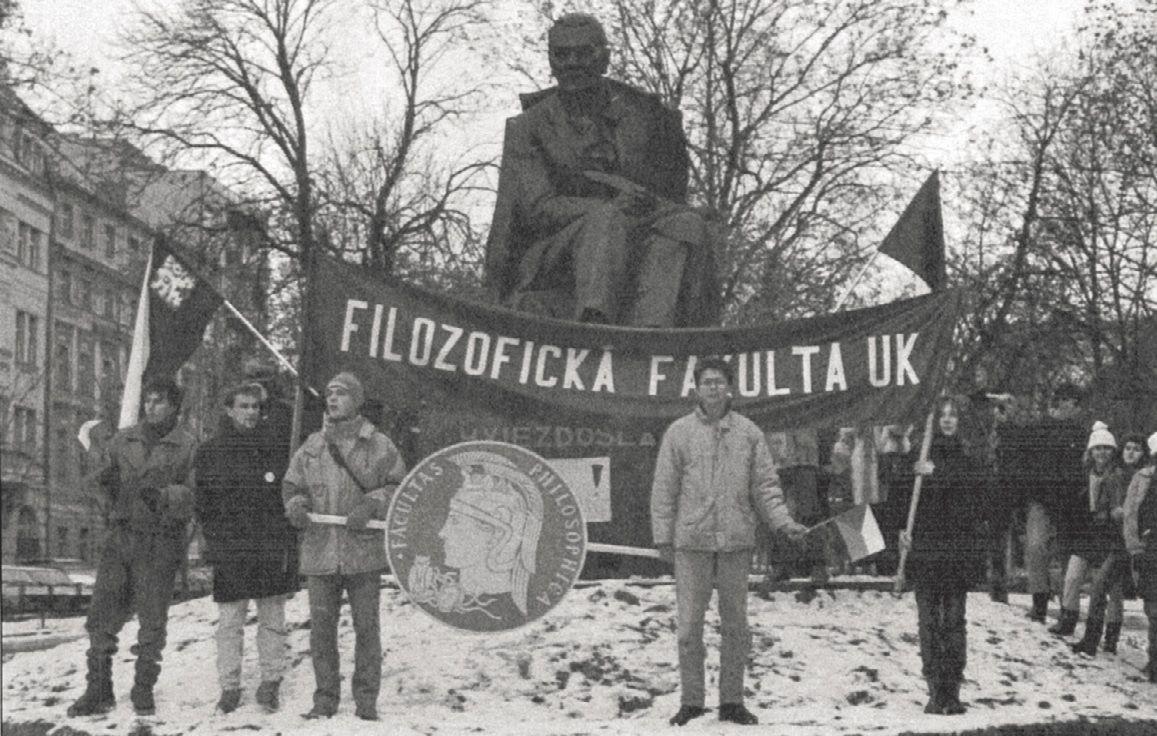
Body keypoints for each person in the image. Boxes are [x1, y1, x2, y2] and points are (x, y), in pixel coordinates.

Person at [484, 13, 718, 327]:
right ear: (551, 61)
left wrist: (653, 204)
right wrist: (608, 207)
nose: (573, 63)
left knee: (685, 225)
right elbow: (539, 209)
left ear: (605, 58)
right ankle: (595, 322)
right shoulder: (529, 127)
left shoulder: (642, 116)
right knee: (606, 219)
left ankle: (652, 333)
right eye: (562, 54)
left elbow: (667, 189)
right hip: (556, 251)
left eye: (584, 53)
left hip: (632, 231)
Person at [651, 357, 808, 727]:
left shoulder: (749, 433)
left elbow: (766, 487)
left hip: (736, 543)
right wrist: (663, 536)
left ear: (730, 388)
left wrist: (783, 522)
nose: (713, 388)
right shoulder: (678, 433)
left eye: (719, 381)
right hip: (692, 543)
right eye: (707, 382)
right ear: (696, 388)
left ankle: (732, 701)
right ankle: (692, 701)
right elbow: (664, 489)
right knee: (689, 628)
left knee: (736, 626)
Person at [67, 378, 198, 717]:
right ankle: (98, 689)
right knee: (102, 615)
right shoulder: (123, 440)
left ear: (174, 406)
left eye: (159, 401)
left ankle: (143, 688)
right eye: (148, 401)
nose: (151, 407)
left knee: (152, 620)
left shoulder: (186, 445)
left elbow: (196, 493)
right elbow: (96, 480)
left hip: (160, 541)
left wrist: (166, 496)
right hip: (121, 536)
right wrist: (106, 488)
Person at [282, 371, 407, 720]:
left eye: (341, 393)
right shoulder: (312, 446)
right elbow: (292, 486)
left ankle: (366, 701)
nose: (333, 399)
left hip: (363, 554)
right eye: (329, 393)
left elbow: (398, 487)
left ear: (357, 400)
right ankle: (325, 700)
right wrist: (296, 505)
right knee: (322, 633)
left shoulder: (379, 445)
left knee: (367, 629)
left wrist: (371, 504)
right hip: (321, 552)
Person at [194, 382, 298, 713]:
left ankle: (270, 681)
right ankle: (229, 686)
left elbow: (286, 496)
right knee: (229, 623)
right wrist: (214, 542)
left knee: (272, 619)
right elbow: (204, 502)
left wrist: (284, 541)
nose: (251, 412)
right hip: (231, 549)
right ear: (229, 410)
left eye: (255, 407)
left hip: (268, 547)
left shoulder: (275, 449)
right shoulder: (210, 451)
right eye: (244, 406)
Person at [899, 397, 992, 715]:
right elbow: (902, 501)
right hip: (925, 550)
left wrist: (935, 473)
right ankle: (934, 688)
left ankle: (952, 689)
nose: (948, 420)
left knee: (953, 621)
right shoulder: (917, 458)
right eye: (943, 415)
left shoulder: (967, 459)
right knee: (928, 621)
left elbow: (972, 497)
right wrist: (902, 531)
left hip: (955, 551)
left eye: (953, 415)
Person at [1001, 383, 1087, 624]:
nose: (1073, 408)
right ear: (1061, 402)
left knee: (1068, 555)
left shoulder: (1081, 434)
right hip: (1040, 499)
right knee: (1035, 547)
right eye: (1069, 402)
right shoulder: (1040, 428)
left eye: (1076, 404)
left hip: (1070, 502)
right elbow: (1018, 449)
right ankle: (1039, 602)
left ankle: (1068, 608)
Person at [1071, 431, 1147, 656]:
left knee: (1116, 591)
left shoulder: (1145, 477)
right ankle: (1095, 640)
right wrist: (1108, 514)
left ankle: (1099, 640)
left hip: (1136, 543)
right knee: (1102, 587)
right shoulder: (1115, 476)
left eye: (1136, 449)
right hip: (1116, 542)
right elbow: (1102, 508)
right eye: (1128, 448)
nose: (1131, 453)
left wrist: (1125, 514)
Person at [1051, 422, 1121, 638]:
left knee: (1109, 588)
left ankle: (1110, 633)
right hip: (1086, 534)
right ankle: (1068, 619)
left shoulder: (1117, 476)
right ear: (1091, 451)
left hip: (1110, 535)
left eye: (1106, 448)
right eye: (1098, 448)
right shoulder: (1083, 476)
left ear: (1113, 451)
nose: (1102, 452)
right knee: (1072, 577)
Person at [1124, 432, 1157, 683]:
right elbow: (1132, 514)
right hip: (1150, 549)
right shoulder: (1144, 478)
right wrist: (1135, 547)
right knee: (1152, 607)